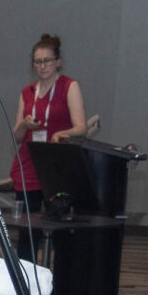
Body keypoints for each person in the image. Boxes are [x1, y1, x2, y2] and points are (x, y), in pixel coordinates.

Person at [10, 34, 86, 260]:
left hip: (56, 167)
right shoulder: (28, 92)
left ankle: (60, 286)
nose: (42, 66)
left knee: (59, 230)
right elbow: (17, 135)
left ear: (58, 61)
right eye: (38, 62)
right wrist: (24, 124)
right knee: (28, 231)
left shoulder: (69, 86)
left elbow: (81, 127)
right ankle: (26, 285)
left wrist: (63, 133)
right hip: (29, 164)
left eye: (47, 61)